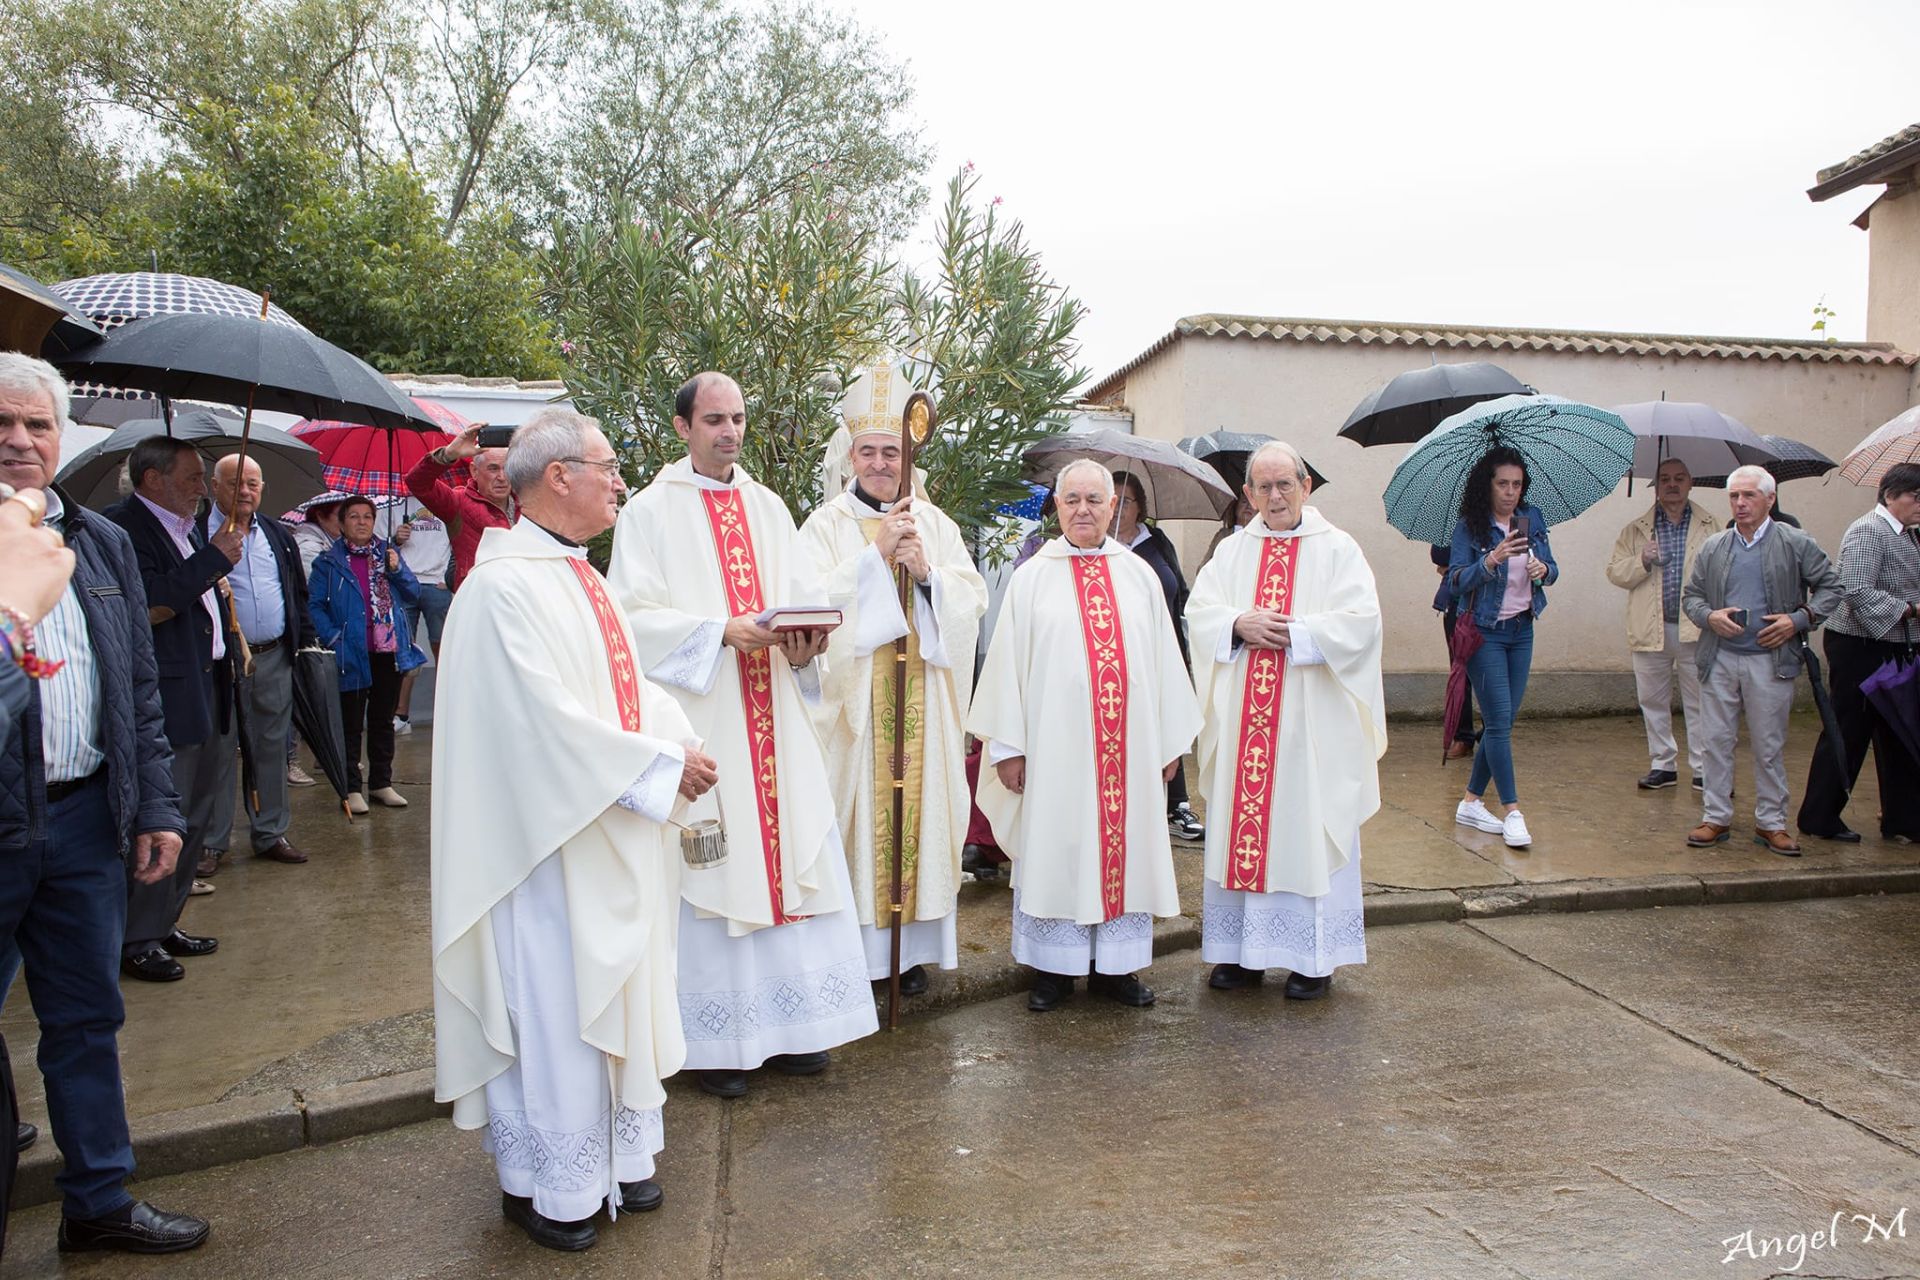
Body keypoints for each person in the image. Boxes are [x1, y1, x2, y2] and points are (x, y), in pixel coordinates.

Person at [432, 409, 715, 1251]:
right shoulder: (500, 590)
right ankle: (549, 1186)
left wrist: (680, 739)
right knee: (556, 1010)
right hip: (545, 850)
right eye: (609, 465)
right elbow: (541, 726)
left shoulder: (581, 576)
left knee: (612, 994)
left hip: (608, 831)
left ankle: (617, 1160)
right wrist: (659, 767)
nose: (621, 480)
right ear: (559, 477)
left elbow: (623, 687)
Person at [608, 372, 877, 1098]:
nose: (730, 432)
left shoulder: (767, 507)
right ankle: (719, 1045)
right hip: (707, 716)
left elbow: (806, 602)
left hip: (776, 714)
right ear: (681, 427)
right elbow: (629, 618)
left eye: (738, 419)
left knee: (790, 849)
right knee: (717, 865)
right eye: (715, 420)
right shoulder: (647, 513)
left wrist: (805, 642)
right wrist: (719, 632)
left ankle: (796, 1031)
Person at [0, 353, 209, 1255]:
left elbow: (137, 688)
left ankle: (98, 1199)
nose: (18, 441)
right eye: (1, 425)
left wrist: (157, 807)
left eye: (36, 425)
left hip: (85, 819)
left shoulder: (101, 541)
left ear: (61, 437)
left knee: (87, 1019)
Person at [968, 459, 1202, 1012]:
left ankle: (1115, 970)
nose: (1083, 510)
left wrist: (1169, 744)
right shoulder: (1031, 578)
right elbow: (1007, 668)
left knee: (1124, 854)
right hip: (1054, 753)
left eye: (1094, 500)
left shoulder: (1139, 574)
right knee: (1056, 850)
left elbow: (1165, 662)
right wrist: (1007, 748)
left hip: (1130, 754)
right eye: (1071, 499)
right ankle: (1053, 971)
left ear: (1112, 506)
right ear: (1056, 505)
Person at [797, 377, 987, 1000]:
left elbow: (970, 604)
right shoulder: (825, 526)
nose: (882, 465)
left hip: (922, 706)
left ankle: (908, 953)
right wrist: (873, 560)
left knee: (922, 816)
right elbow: (808, 603)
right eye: (869, 453)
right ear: (850, 456)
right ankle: (856, 952)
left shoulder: (934, 523)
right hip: (856, 712)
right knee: (856, 824)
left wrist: (927, 575)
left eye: (893, 454)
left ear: (910, 459)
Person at [1186, 443, 1385, 999]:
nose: (1275, 497)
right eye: (1263, 488)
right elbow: (1198, 614)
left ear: (1306, 487)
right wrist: (1237, 622)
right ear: (1247, 495)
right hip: (1243, 725)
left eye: (1285, 485)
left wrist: (1298, 634)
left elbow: (1363, 623)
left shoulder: (1339, 550)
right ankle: (1241, 956)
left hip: (1309, 729)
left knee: (1304, 831)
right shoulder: (1231, 553)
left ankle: (1311, 958)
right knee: (1241, 832)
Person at [103, 438, 242, 982]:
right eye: (191, 478)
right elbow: (151, 604)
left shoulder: (190, 529)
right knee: (166, 818)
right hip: (168, 694)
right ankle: (137, 937)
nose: (202, 489)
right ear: (152, 478)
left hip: (208, 687)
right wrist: (214, 561)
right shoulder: (125, 529)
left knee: (198, 813)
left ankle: (165, 922)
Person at [1682, 465, 1843, 855]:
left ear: (1770, 499)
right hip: (1719, 658)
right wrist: (1710, 617)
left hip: (1771, 661)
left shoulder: (1795, 542)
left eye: (1749, 495)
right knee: (1716, 741)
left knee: (1769, 745)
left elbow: (1832, 587)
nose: (1740, 503)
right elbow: (1691, 597)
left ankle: (1771, 822)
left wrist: (1798, 619)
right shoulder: (1715, 546)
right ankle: (1715, 817)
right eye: (1734, 496)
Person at [1796, 462, 1920, 844]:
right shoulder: (1868, 530)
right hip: (1860, 647)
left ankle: (1903, 820)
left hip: (1895, 645)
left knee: (1899, 732)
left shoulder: (1909, 534)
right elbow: (1854, 588)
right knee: (1849, 730)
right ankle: (1819, 817)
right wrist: (1910, 609)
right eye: (1916, 497)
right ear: (1890, 496)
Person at [204, 454, 315, 867]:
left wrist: (301, 643)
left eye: (253, 483)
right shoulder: (199, 533)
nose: (245, 491)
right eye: (235, 483)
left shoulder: (276, 533)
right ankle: (212, 841)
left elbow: (294, 591)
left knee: (271, 747)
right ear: (214, 487)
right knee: (218, 749)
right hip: (220, 660)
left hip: (272, 657)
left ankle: (270, 832)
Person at [1446, 446, 1558, 849]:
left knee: (1501, 724)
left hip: (1522, 629)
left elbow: (1553, 568)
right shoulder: (1470, 527)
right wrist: (1492, 559)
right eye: (1502, 484)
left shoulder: (1532, 518)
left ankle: (1471, 801)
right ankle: (1512, 811)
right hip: (1484, 632)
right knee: (1498, 722)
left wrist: (1542, 570)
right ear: (1487, 485)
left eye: (1517, 484)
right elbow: (1455, 583)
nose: (1510, 492)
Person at [1606, 458, 1723, 792]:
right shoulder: (1637, 529)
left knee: (1700, 701)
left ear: (1690, 482)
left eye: (1679, 478)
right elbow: (1614, 572)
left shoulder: (1712, 526)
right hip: (1649, 627)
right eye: (1665, 479)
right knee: (1653, 701)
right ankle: (1662, 764)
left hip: (1696, 628)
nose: (1672, 484)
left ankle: (1702, 768)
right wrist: (1642, 559)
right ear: (1655, 485)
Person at [308, 495, 424, 813]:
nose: (362, 522)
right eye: (354, 517)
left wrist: (397, 570)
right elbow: (315, 605)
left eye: (368, 517)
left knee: (383, 720)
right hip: (351, 652)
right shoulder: (328, 562)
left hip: (388, 650)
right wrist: (335, 637)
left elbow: (413, 593)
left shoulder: (388, 554)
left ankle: (381, 783)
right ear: (342, 524)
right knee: (350, 723)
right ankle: (350, 787)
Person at [1113, 469, 1205, 843]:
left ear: (1141, 508)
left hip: (1162, 647)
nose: (1118, 509)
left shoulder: (1156, 542)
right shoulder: (1096, 550)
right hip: (1122, 654)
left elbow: (1178, 588)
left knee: (1168, 720)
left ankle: (1176, 805)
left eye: (1127, 501)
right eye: (1112, 500)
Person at [406, 423, 516, 588]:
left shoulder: (528, 503)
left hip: (518, 600)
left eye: (507, 468)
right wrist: (449, 453)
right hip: (477, 600)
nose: (501, 477)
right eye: (493, 469)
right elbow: (417, 482)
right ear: (474, 471)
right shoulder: (458, 501)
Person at [385, 503, 453, 735]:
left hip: (437, 583)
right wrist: (397, 539)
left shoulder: (443, 498)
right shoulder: (392, 503)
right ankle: (401, 715)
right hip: (405, 582)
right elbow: (381, 547)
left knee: (443, 649)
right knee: (404, 650)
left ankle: (449, 713)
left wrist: (450, 578)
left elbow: (460, 536)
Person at [1431, 543, 1476, 760]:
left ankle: (1490, 734)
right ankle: (1463, 736)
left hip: (1493, 606)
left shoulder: (1508, 521)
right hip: (1458, 603)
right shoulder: (1456, 519)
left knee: (1492, 676)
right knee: (1460, 672)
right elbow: (1438, 555)